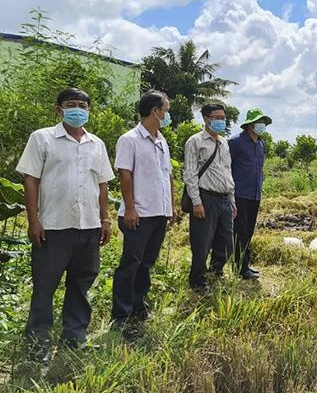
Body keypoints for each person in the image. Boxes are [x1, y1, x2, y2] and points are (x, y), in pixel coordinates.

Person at [15, 88, 114, 359]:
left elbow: (102, 184)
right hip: (53, 227)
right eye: (71, 104)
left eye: (83, 105)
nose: (77, 109)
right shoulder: (42, 138)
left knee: (81, 285)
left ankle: (75, 336)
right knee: (45, 287)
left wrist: (105, 219)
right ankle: (39, 343)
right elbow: (31, 180)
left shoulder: (97, 143)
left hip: (89, 227)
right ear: (58, 109)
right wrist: (33, 220)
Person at [111, 90, 177, 340]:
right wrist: (129, 208)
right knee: (130, 264)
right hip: (138, 213)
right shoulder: (130, 140)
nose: (167, 115)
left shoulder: (161, 141)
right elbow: (125, 175)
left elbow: (167, 175)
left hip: (159, 212)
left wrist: (170, 207)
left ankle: (138, 306)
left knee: (146, 263)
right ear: (155, 112)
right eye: (166, 110)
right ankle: (121, 315)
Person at [184, 104, 236, 291]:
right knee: (202, 244)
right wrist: (196, 202)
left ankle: (215, 272)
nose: (221, 121)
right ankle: (197, 281)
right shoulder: (195, 141)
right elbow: (190, 174)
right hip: (205, 198)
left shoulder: (224, 142)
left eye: (223, 117)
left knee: (227, 244)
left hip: (224, 199)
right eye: (217, 117)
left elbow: (227, 171)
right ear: (206, 119)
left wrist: (232, 199)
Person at [229, 108, 272, 280]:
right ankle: (239, 268)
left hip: (255, 194)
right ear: (249, 125)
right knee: (240, 232)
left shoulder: (261, 144)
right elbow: (227, 167)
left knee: (249, 231)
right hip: (240, 194)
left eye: (263, 123)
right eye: (258, 122)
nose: (261, 126)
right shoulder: (236, 142)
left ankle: (244, 264)